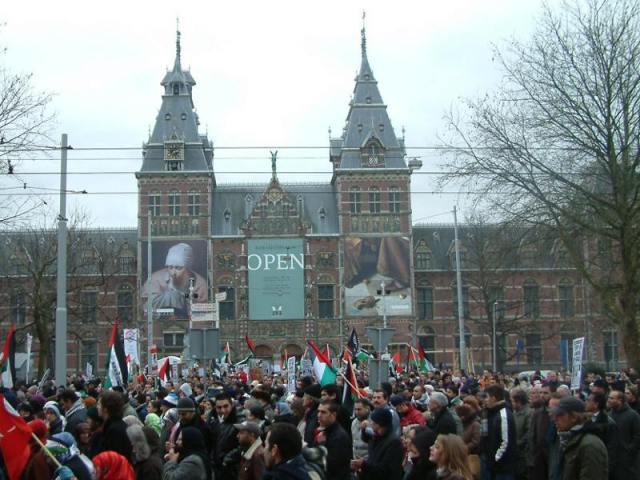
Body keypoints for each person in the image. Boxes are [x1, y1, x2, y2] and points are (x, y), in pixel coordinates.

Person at [142, 242, 208, 316]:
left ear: (188, 268)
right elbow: (145, 307)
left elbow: (203, 313)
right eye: (170, 267)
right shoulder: (154, 280)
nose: (173, 273)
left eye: (178, 268)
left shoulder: (200, 284)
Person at [550, 396, 607, 480]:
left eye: (559, 415)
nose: (554, 419)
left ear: (574, 417)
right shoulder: (566, 439)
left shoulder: (590, 445)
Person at [351, 407, 404, 480]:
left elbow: (385, 470)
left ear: (380, 424)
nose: (371, 424)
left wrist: (363, 464)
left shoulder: (394, 443)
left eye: (373, 422)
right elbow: (366, 440)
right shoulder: (376, 436)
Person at [483, 384, 517, 480]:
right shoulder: (492, 413)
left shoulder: (503, 415)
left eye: (487, 397)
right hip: (495, 466)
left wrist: (495, 459)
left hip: (503, 467)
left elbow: (505, 441)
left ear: (493, 398)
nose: (485, 400)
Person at [607, 388, 640, 479]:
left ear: (620, 400)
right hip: (612, 459)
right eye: (609, 398)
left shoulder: (633, 415)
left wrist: (629, 450)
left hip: (627, 462)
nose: (608, 400)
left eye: (612, 398)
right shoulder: (609, 415)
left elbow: (638, 436)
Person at [94, 390, 133, 462]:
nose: (97, 407)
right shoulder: (112, 426)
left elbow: (115, 460)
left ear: (105, 409)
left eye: (99, 404)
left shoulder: (115, 430)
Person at [316, 400, 351, 480]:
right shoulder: (326, 432)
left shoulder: (339, 437)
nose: (319, 415)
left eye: (323, 412)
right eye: (318, 412)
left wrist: (322, 444)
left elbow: (332, 465)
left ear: (333, 415)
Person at [210, 392, 240, 480]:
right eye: (219, 408)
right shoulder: (214, 422)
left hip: (232, 470)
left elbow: (243, 446)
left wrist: (226, 460)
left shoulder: (239, 421)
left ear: (232, 405)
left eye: (226, 406)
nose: (223, 410)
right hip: (217, 469)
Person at [509, 388, 530, 480]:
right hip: (516, 454)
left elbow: (529, 433)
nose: (511, 404)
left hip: (523, 455)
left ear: (518, 401)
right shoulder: (515, 413)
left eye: (512, 401)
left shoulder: (528, 413)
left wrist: (517, 443)